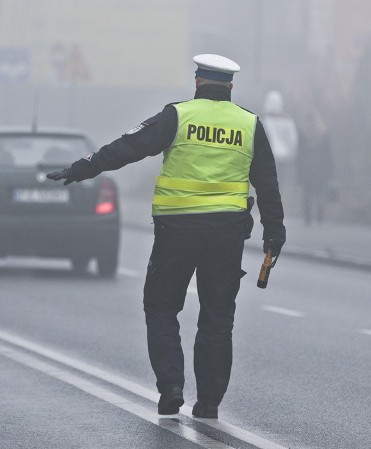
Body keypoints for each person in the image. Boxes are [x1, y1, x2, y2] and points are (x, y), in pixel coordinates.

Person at [47, 54, 286, 418]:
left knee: (160, 308)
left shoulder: (178, 116)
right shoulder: (249, 124)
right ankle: (209, 403)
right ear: (231, 87)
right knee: (218, 317)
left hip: (176, 231)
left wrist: (83, 169)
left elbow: (128, 147)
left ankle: (171, 387)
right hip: (226, 235)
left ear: (197, 82)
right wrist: (275, 232)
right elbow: (267, 183)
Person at [296, 106, 334, 224]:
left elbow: (299, 153)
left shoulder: (303, 133)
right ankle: (320, 215)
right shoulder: (323, 133)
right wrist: (331, 168)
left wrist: (298, 169)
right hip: (321, 168)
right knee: (320, 192)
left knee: (307, 193)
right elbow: (328, 153)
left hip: (307, 168)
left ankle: (308, 217)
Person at [261, 90, 298, 196]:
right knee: (281, 184)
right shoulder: (287, 120)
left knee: (270, 183)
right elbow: (293, 139)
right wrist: (292, 154)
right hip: (285, 158)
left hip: (270, 158)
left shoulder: (265, 121)